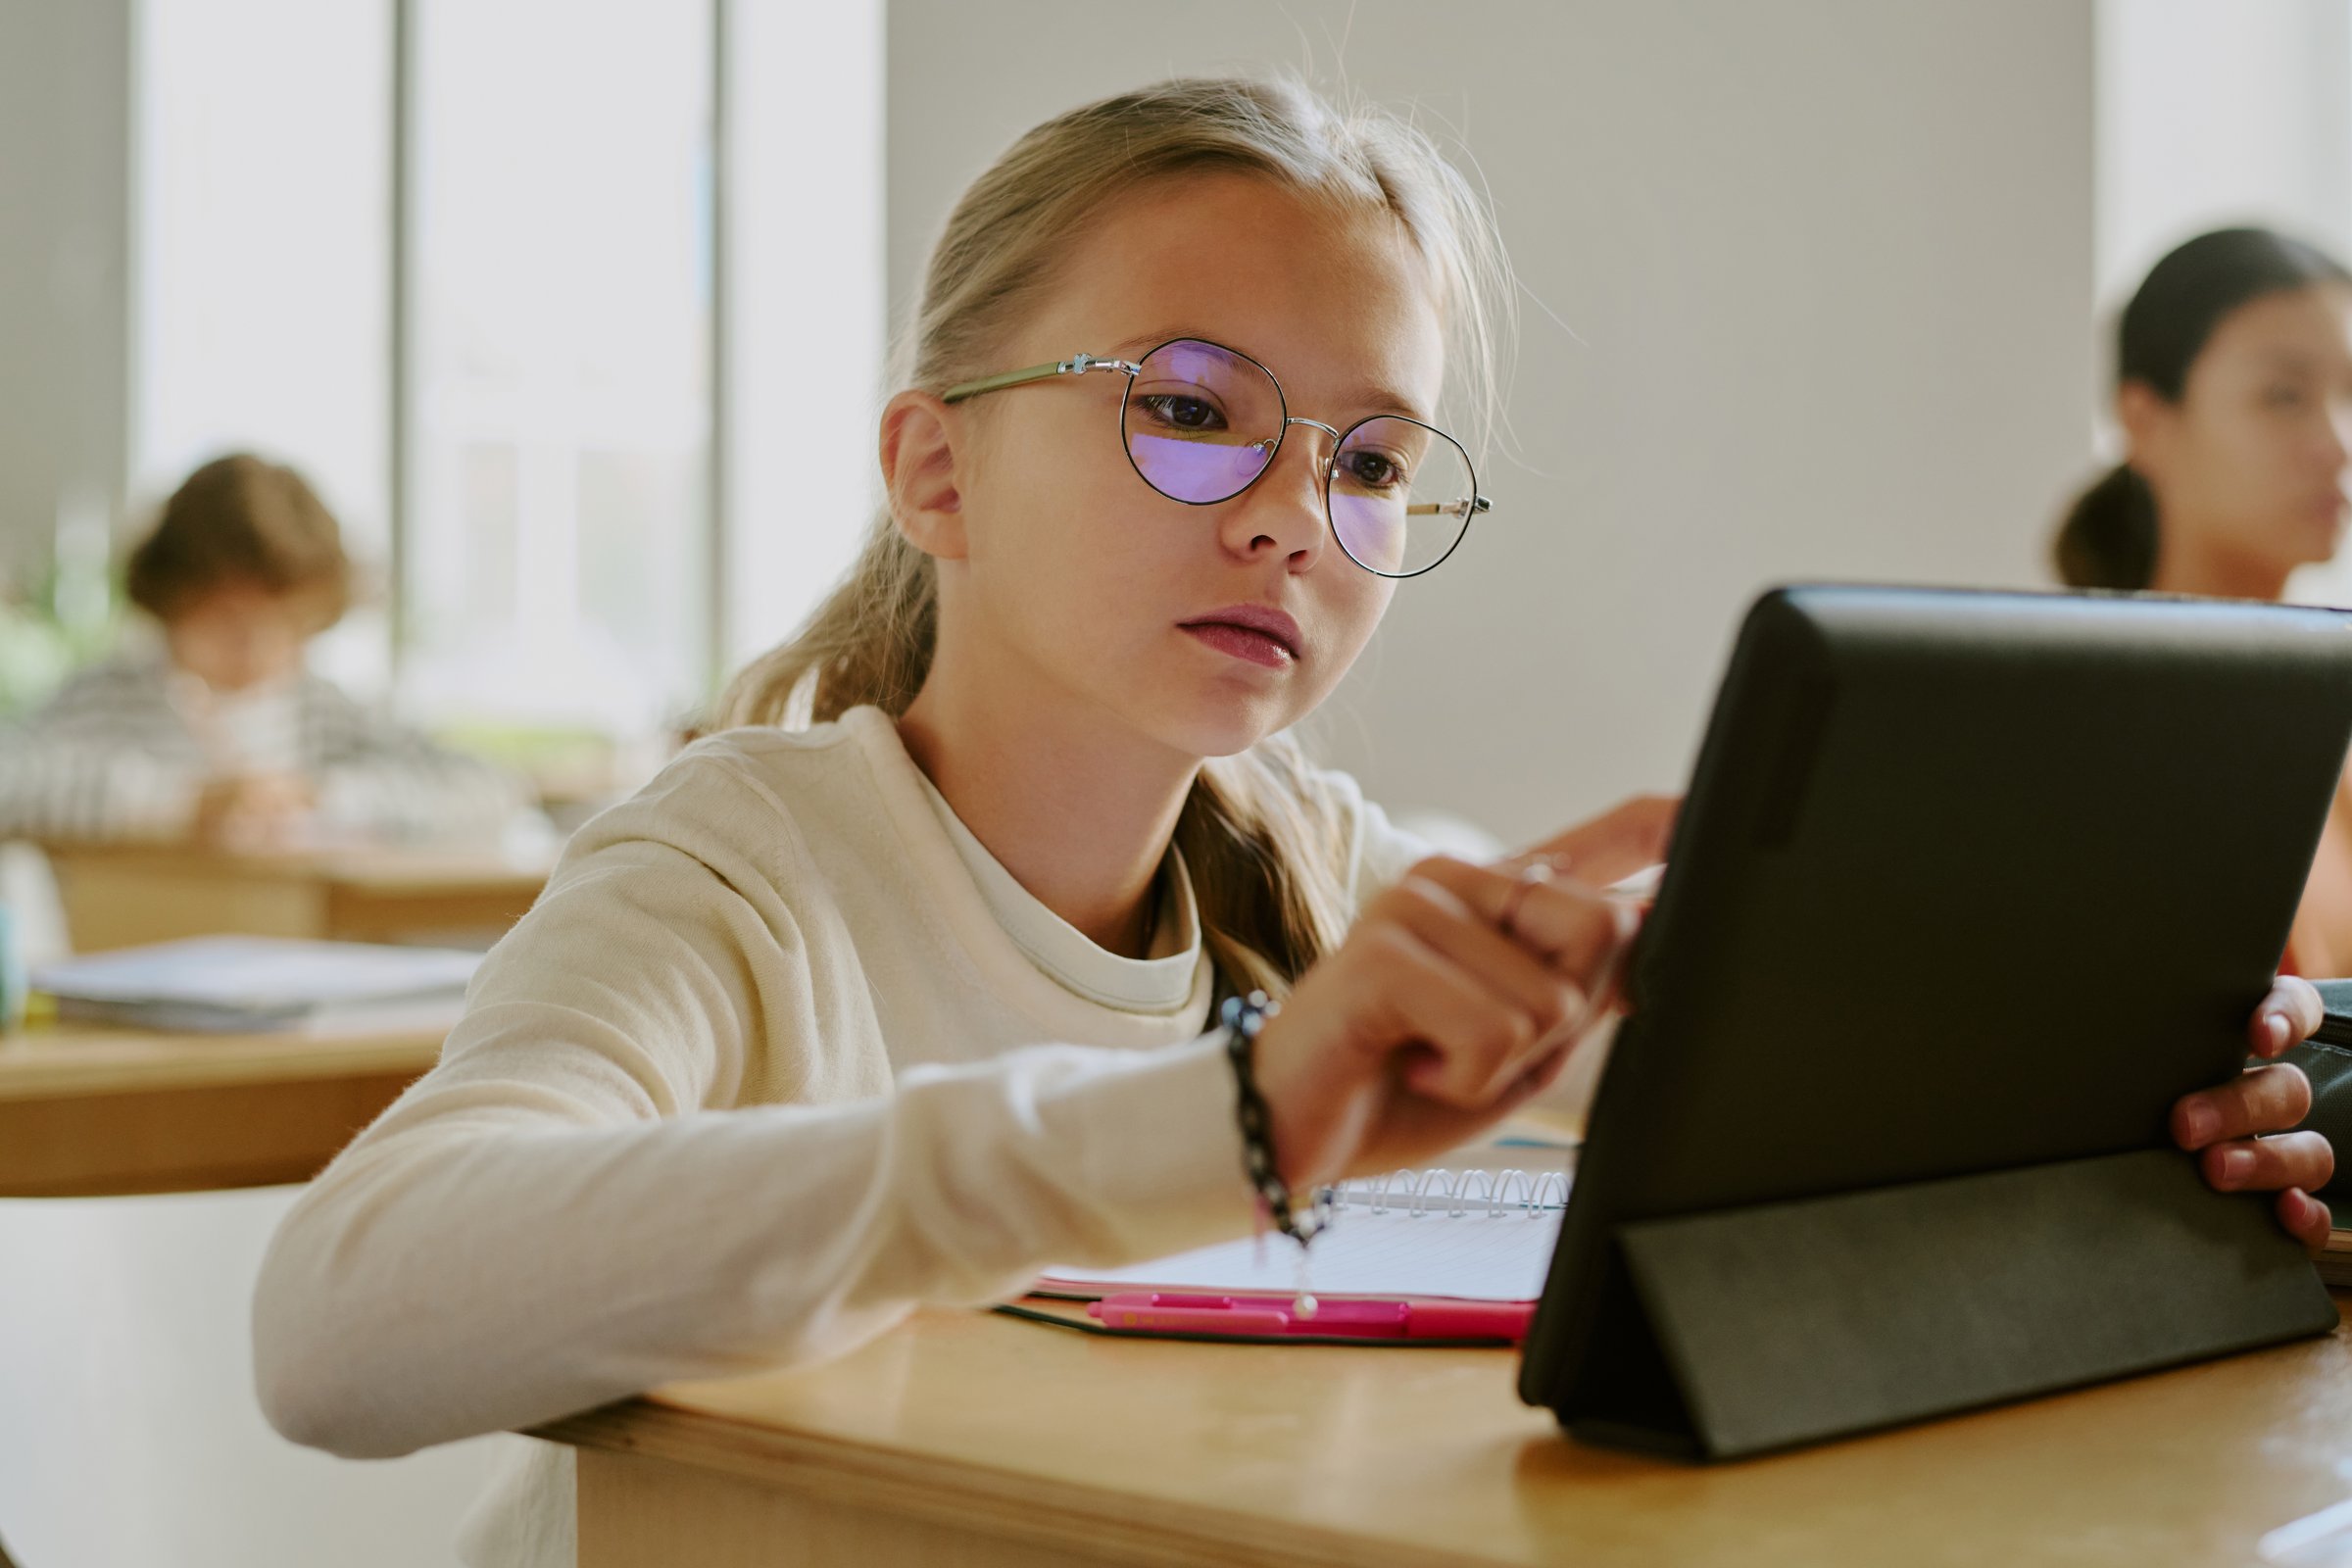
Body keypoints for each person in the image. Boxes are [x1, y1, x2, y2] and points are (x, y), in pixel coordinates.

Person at [256, 80, 2333, 1568]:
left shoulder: (1320, 859)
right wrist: (1232, 1116)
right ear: (936, 469)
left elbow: (1795, 1103)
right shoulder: (742, 864)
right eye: (1185, 402)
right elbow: (340, 1323)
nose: (1285, 511)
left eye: (1371, 459)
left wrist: (2165, 1100)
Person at [2052, 228, 2352, 975]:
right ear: (2147, 419)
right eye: (2283, 396)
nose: (2337, 442)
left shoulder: (2331, 729)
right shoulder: (2088, 740)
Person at [0, 454, 518, 848]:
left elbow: (486, 788)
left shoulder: (328, 714)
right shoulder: (106, 700)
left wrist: (320, 797)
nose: (257, 648)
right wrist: (183, 803)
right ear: (172, 603)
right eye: (227, 623)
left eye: (287, 625)